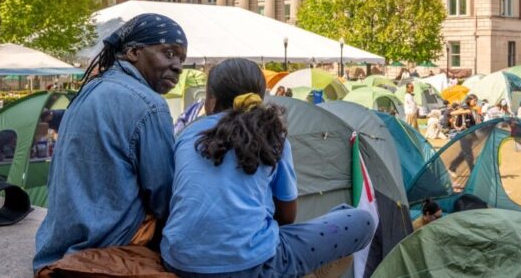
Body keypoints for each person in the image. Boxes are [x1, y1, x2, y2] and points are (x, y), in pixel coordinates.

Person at [160, 58, 376, 277]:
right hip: (252, 267)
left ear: (211, 101)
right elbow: (287, 216)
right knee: (361, 220)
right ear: (259, 98)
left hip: (178, 261)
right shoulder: (272, 135)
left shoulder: (186, 135)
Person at [34, 14, 188, 272]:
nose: (178, 66)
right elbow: (165, 195)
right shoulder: (149, 105)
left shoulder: (91, 89)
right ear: (133, 52)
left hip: (54, 250)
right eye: (169, 53)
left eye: (181, 59)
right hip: (108, 250)